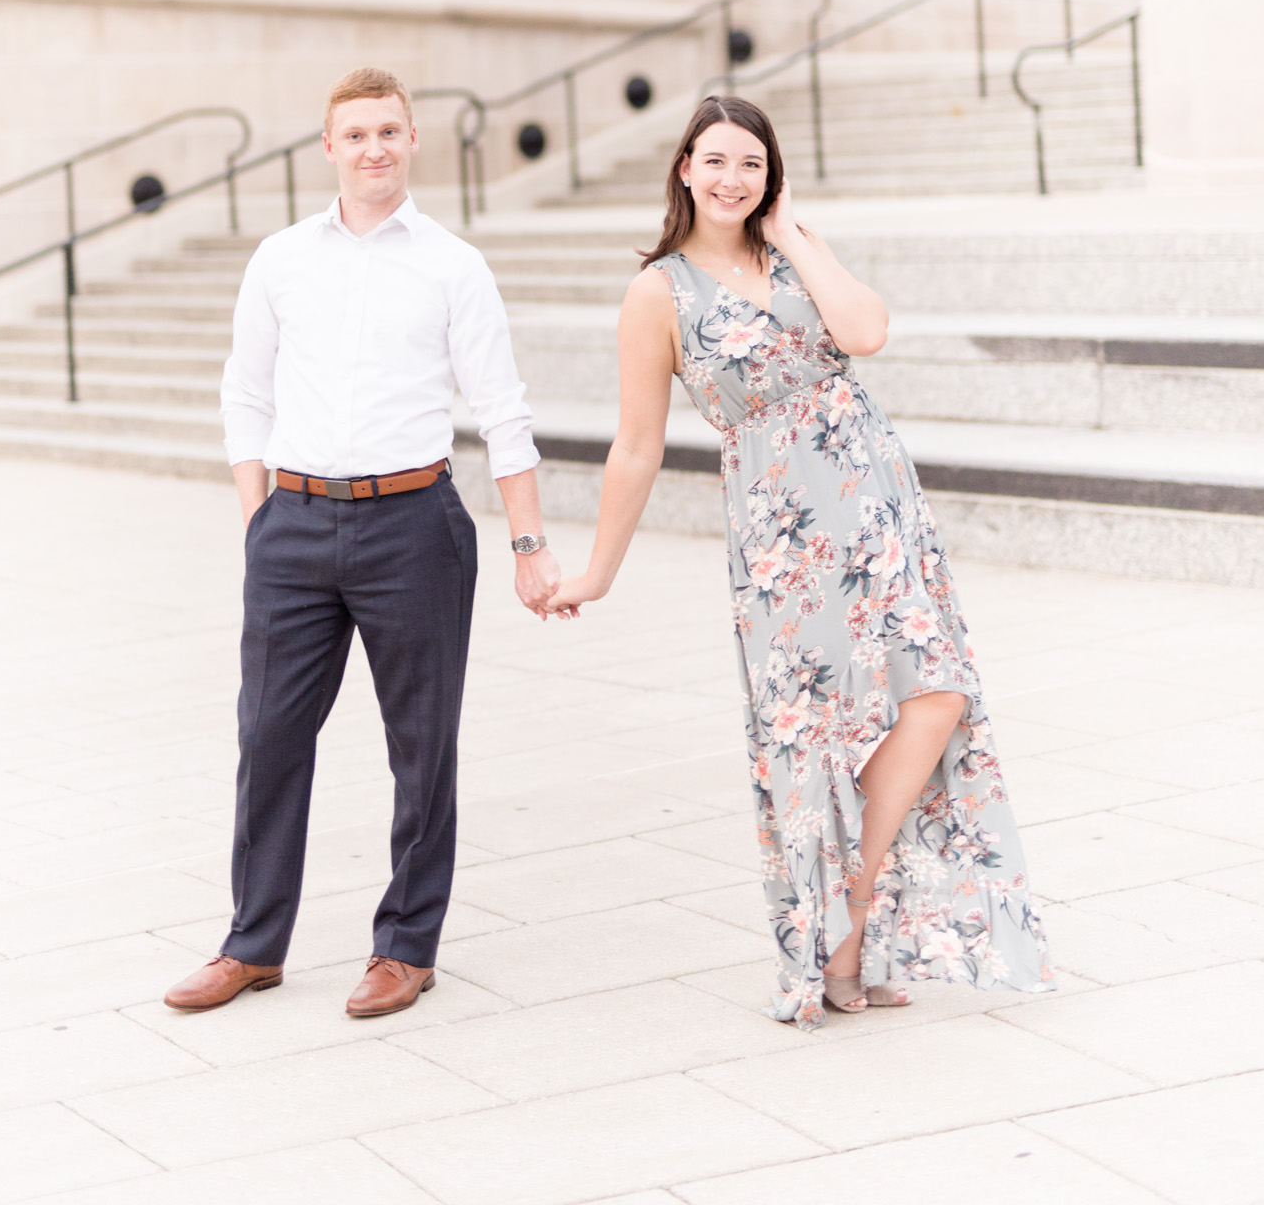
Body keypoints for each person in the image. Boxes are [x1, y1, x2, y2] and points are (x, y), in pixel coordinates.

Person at [546, 94, 1053, 1026]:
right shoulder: (656, 290)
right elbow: (636, 446)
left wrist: (798, 235)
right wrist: (598, 571)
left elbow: (863, 333)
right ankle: (840, 947)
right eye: (714, 160)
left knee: (936, 694)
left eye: (749, 162)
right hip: (782, 530)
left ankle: (851, 903)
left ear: (768, 174)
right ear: (684, 170)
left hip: (875, 498)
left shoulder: (790, 253)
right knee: (817, 729)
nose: (730, 178)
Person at [164, 66, 566, 1019]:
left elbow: (502, 412)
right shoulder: (280, 259)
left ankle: (405, 947)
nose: (374, 147)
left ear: (412, 140)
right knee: (267, 737)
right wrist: (257, 513)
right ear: (329, 147)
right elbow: (245, 390)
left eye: (390, 131)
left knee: (420, 748)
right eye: (357, 134)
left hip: (413, 526)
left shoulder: (452, 265)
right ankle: (252, 944)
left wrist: (530, 545)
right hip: (293, 525)